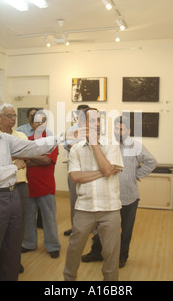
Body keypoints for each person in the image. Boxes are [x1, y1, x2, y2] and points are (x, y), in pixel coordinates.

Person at [0, 102, 71, 281]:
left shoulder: (4, 139)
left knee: (12, 251)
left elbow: (33, 147)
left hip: (12, 196)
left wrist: (61, 137)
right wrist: (14, 166)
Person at [81, 115, 157, 268]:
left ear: (128, 130)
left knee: (125, 229)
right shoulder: (108, 145)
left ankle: (122, 257)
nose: (118, 131)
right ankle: (96, 253)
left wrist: (136, 175)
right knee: (101, 226)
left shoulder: (136, 146)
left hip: (129, 197)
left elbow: (152, 162)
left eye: (121, 128)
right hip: (109, 196)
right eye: (116, 128)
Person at [64, 108, 124, 281]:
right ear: (82, 124)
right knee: (74, 249)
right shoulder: (75, 149)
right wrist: (105, 172)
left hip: (110, 208)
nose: (97, 124)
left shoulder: (112, 145)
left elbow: (106, 169)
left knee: (111, 253)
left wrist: (94, 144)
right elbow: (75, 177)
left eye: (99, 120)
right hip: (84, 208)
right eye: (92, 120)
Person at [22, 112, 60, 258]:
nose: (40, 124)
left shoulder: (51, 141)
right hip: (28, 186)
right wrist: (35, 158)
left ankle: (53, 246)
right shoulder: (26, 141)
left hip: (46, 187)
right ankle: (29, 243)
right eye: (37, 122)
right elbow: (19, 158)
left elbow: (47, 161)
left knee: (49, 218)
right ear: (31, 124)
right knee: (28, 218)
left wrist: (28, 159)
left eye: (43, 121)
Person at [0, 103, 29, 273]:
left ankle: (13, 261)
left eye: (14, 115)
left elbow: (28, 155)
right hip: (1, 188)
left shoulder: (21, 135)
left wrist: (7, 157)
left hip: (21, 186)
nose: (12, 119)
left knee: (19, 228)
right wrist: (14, 158)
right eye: (8, 115)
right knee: (0, 228)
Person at [63, 104, 90, 236]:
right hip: (74, 169)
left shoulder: (93, 130)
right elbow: (67, 144)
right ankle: (75, 228)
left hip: (90, 171)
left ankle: (93, 229)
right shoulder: (71, 129)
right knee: (74, 200)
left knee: (90, 198)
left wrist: (77, 144)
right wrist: (82, 145)